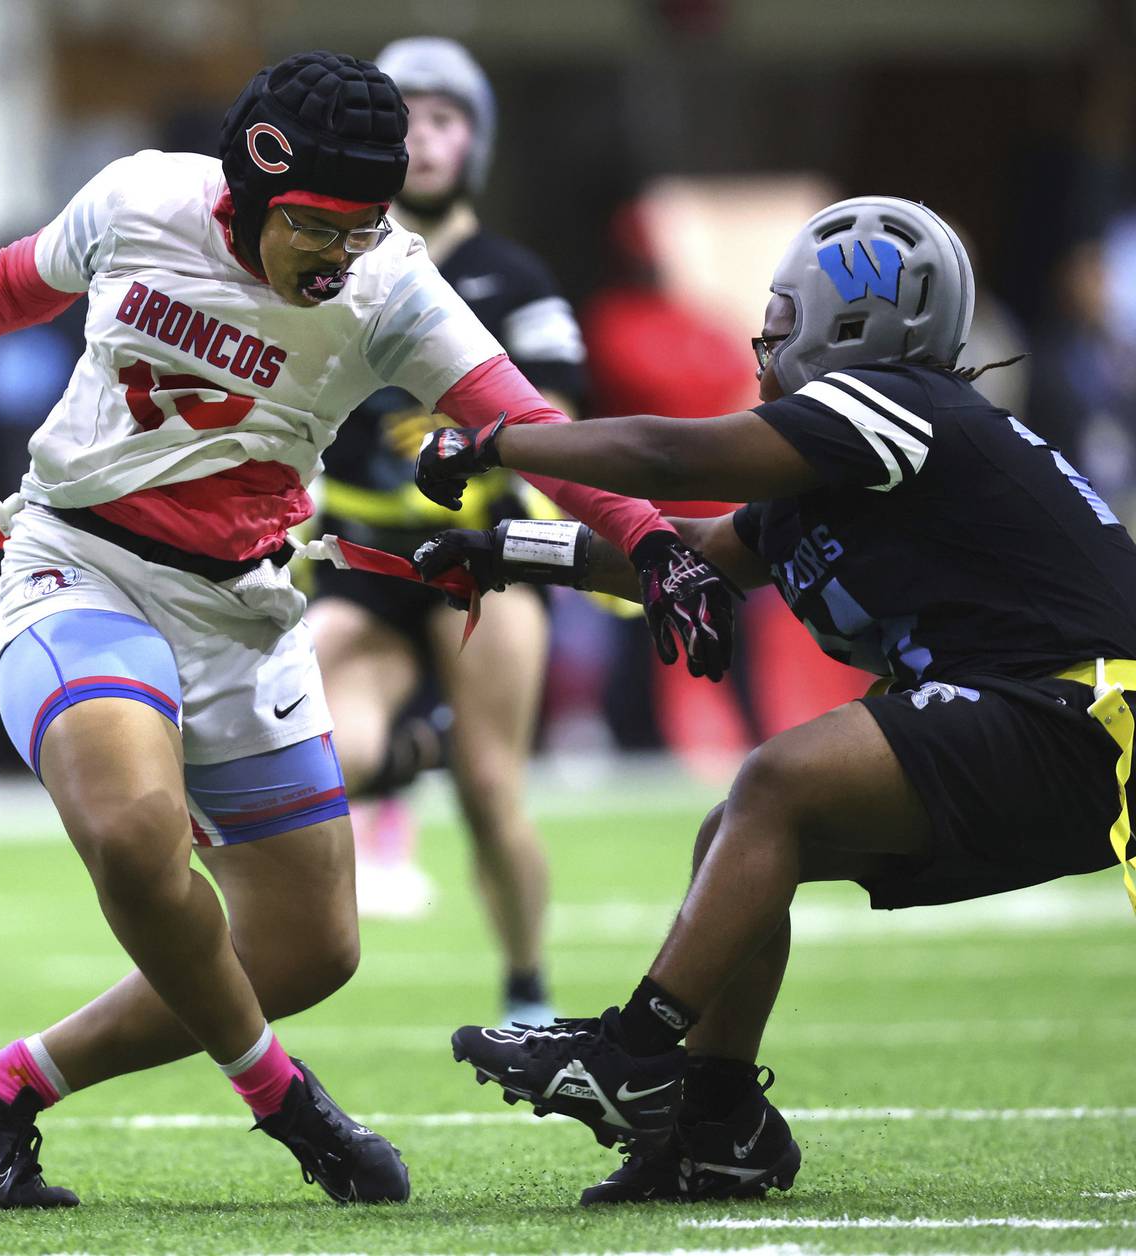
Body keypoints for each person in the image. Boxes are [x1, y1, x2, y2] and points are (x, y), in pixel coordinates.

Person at [0, 51, 715, 1208]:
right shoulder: (142, 198)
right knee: (136, 836)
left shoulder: (392, 284)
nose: (342, 253)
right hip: (80, 569)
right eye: (319, 225)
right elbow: (11, 283)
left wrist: (651, 539)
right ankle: (286, 1099)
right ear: (249, 187)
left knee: (310, 949)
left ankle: (2, 1085)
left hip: (245, 612)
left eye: (364, 225)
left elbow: (529, 422)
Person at [411, 195, 1136, 1204]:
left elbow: (668, 456)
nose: (767, 338)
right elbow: (692, 556)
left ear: (853, 322)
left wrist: (499, 442)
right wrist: (504, 549)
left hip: (1084, 714)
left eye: (785, 317)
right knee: (741, 834)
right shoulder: (847, 458)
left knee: (778, 779)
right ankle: (718, 1124)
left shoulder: (898, 403)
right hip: (1044, 719)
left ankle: (633, 1053)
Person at [308, 37, 585, 1023]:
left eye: (445, 118)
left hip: (487, 557)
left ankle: (528, 989)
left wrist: (479, 438)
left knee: (490, 786)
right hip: (362, 556)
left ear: (477, 141)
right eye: (407, 119)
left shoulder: (515, 277)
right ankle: (420, 747)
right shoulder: (329, 263)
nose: (424, 138)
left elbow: (561, 416)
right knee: (311, 755)